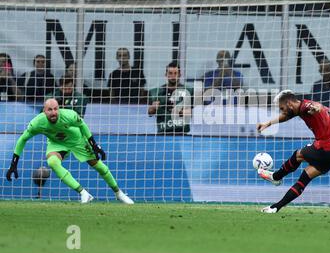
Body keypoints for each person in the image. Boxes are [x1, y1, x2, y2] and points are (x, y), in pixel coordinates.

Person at [5, 98, 134, 204]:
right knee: (52, 162)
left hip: (76, 139)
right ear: (44, 111)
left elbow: (82, 125)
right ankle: (83, 193)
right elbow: (22, 139)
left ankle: (119, 193)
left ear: (59, 109)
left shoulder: (69, 115)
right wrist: (14, 163)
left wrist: (94, 145)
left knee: (99, 166)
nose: (53, 112)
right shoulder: (37, 123)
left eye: (56, 109)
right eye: (50, 110)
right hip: (56, 143)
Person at [256, 90, 330, 213]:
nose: (282, 112)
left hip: (328, 147)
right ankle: (275, 207)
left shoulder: (306, 107)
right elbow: (287, 116)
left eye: (282, 108)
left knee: (298, 155)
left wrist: (316, 108)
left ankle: (275, 177)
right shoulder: (299, 107)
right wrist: (268, 123)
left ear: (289, 103)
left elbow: (317, 107)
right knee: (305, 177)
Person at [148, 62, 194, 134]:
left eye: (175, 73)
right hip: (163, 131)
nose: (173, 76)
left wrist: (179, 111)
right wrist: (153, 107)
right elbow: (150, 113)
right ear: (166, 75)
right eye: (170, 73)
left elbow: (191, 112)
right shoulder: (156, 92)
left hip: (181, 132)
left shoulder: (188, 91)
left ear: (179, 75)